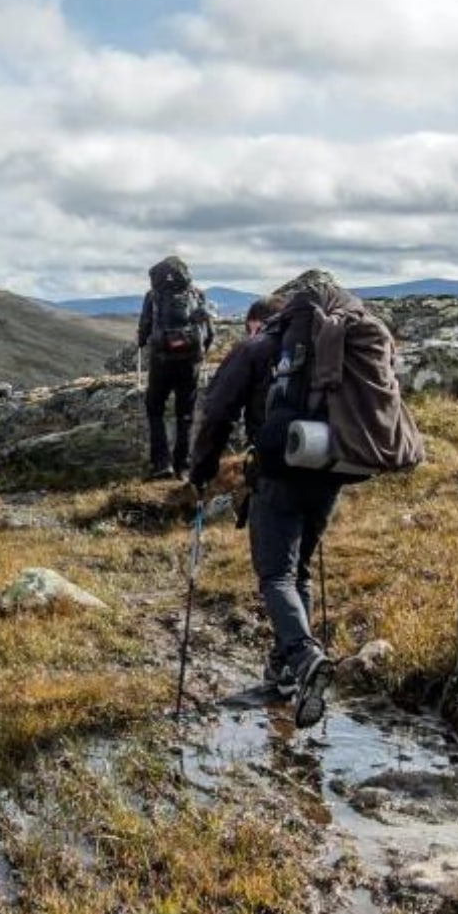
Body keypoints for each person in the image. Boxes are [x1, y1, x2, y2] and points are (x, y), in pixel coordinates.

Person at [188, 272, 356, 729]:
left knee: (275, 573)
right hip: (330, 469)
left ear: (255, 323)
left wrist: (201, 470)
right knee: (297, 568)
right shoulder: (329, 346)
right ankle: (284, 674)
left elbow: (217, 412)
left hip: (278, 471)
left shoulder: (257, 348)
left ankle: (304, 659)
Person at [135, 255, 213, 480]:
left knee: (155, 408)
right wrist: (201, 352)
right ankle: (183, 466)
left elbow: (145, 328)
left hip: (161, 361)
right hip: (190, 362)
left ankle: (161, 463)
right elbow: (209, 331)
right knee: (185, 414)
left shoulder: (153, 296)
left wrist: (142, 341)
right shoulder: (197, 294)